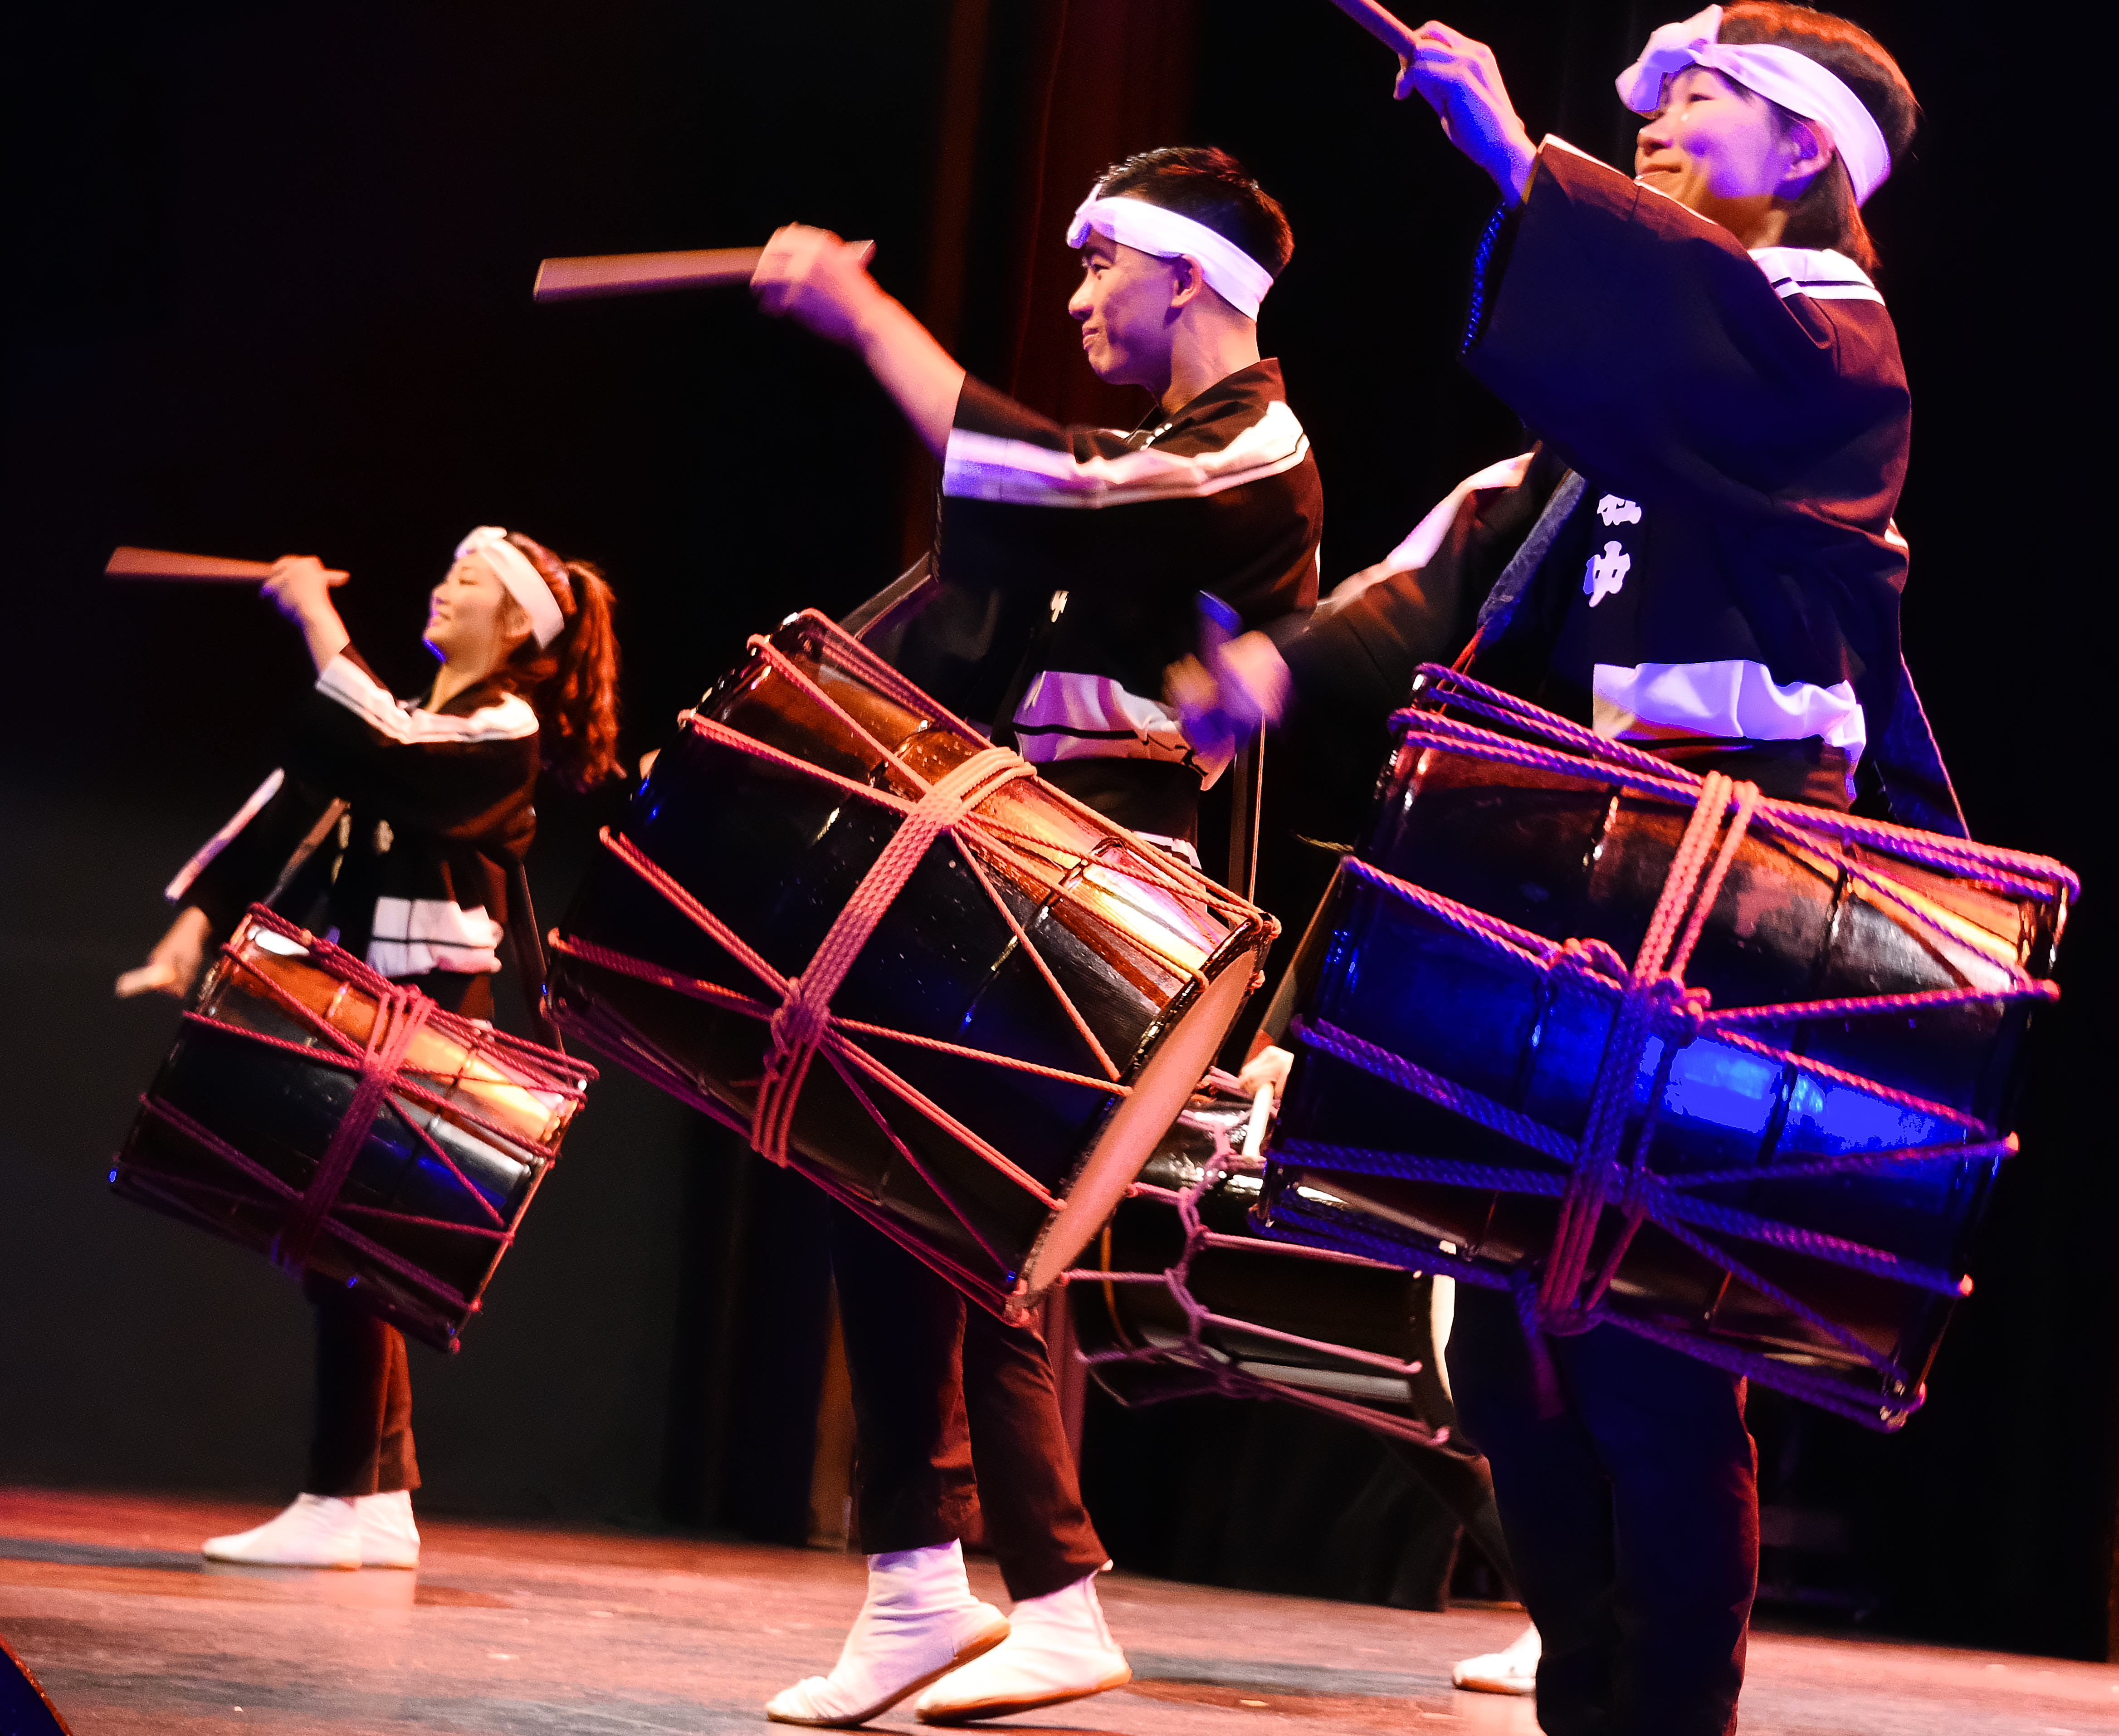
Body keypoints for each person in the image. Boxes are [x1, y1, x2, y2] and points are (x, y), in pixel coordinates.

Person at [1197, 7, 1940, 1730]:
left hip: (1743, 896)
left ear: (1808, 151)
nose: (1661, 121)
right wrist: (1279, 662)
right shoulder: (1648, 404)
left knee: (1656, 1365)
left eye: (1701, 99)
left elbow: (1696, 329)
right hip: (1597, 884)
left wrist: (1518, 154)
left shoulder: (1832, 343)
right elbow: (1467, 540)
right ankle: (1584, 1698)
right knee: (1512, 1351)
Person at [746, 144, 1321, 1729]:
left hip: (1104, 864)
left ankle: (972, 1585)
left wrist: (867, 317)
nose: (1074, 296)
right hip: (1030, 847)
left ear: (1184, 275)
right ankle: (985, 1590)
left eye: (1096, 266)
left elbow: (1055, 485)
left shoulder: (1250, 442)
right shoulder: (1165, 452)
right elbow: (994, 565)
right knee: (924, 1190)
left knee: (946, 1195)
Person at [120, 527, 622, 1570]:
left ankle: (342, 1495)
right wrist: (197, 919)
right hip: (378, 1006)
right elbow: (302, 798)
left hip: (434, 1016)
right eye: (445, 571)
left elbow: (381, 750)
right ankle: (376, 1501)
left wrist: (314, 620)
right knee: (352, 1256)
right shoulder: (423, 723)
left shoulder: (499, 726)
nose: (444, 590)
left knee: (349, 1253)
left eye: (469, 580)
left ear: (518, 623)